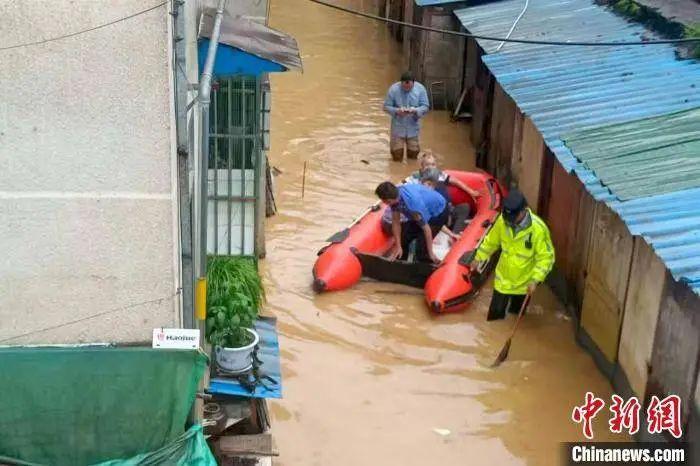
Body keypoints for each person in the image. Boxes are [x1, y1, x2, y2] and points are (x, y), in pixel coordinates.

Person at [469, 189, 555, 321]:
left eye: (512, 218)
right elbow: (491, 242)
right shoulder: (503, 221)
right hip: (502, 281)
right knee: (494, 320)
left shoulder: (538, 229)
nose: (509, 221)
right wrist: (478, 258)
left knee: (516, 318)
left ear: (523, 211)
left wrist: (535, 280)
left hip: (524, 285)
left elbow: (546, 258)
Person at [375, 181, 448, 264]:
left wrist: (431, 253)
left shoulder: (412, 205)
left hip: (438, 211)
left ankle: (427, 264)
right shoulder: (395, 196)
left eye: (384, 201)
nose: (384, 203)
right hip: (422, 206)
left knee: (421, 249)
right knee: (404, 238)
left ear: (388, 200)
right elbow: (396, 223)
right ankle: (401, 262)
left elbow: (426, 229)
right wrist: (398, 246)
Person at [383, 71, 430, 162]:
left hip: (413, 128)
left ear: (413, 83)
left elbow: (426, 106)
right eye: (404, 86)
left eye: (409, 87)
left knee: (413, 156)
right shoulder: (393, 89)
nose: (407, 88)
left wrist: (415, 110)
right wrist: (397, 111)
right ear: (401, 83)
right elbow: (386, 107)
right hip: (398, 128)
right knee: (397, 156)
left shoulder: (421, 89)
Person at [406, 151, 481, 202]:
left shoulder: (441, 175)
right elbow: (404, 183)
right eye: (427, 165)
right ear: (422, 166)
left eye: (433, 164)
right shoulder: (416, 175)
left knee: (464, 208)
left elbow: (456, 181)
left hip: (443, 203)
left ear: (436, 165)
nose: (430, 167)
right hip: (428, 204)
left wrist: (471, 192)